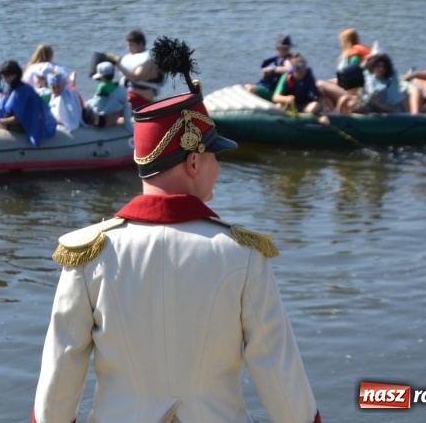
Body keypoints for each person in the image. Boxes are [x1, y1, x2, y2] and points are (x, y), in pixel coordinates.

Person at [33, 36, 321, 423]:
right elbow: (281, 379)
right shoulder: (243, 255)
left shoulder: (89, 254)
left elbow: (58, 380)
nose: (219, 167)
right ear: (194, 163)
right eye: (215, 156)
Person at [0, 60, 57, 147]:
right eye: (3, 76)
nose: (5, 79)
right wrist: (0, 99)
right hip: (13, 123)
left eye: (7, 76)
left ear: (15, 75)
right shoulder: (15, 87)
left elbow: (18, 118)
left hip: (22, 126)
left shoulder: (20, 92)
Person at [111, 29, 164, 109]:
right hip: (131, 94)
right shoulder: (133, 57)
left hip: (143, 96)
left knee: (114, 106)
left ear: (141, 44)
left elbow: (136, 77)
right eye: (127, 45)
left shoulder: (148, 59)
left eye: (131, 45)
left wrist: (119, 65)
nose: (129, 48)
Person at [337, 53, 408, 113]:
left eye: (383, 67)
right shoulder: (367, 76)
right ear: (373, 67)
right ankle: (339, 120)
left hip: (382, 112)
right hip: (366, 107)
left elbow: (392, 109)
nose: (381, 69)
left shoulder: (390, 83)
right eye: (378, 66)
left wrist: (378, 104)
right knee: (345, 99)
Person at [244, 33, 294, 100]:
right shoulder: (274, 59)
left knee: (250, 88)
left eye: (287, 48)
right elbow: (264, 76)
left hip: (275, 92)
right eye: (283, 48)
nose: (285, 50)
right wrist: (266, 73)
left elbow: (289, 68)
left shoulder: (288, 60)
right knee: (246, 86)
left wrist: (273, 69)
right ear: (277, 48)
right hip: (267, 86)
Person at [83, 61, 131, 129]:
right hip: (113, 119)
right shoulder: (120, 87)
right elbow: (125, 104)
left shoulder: (102, 87)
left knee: (87, 105)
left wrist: (96, 123)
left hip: (103, 122)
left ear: (102, 76)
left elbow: (97, 104)